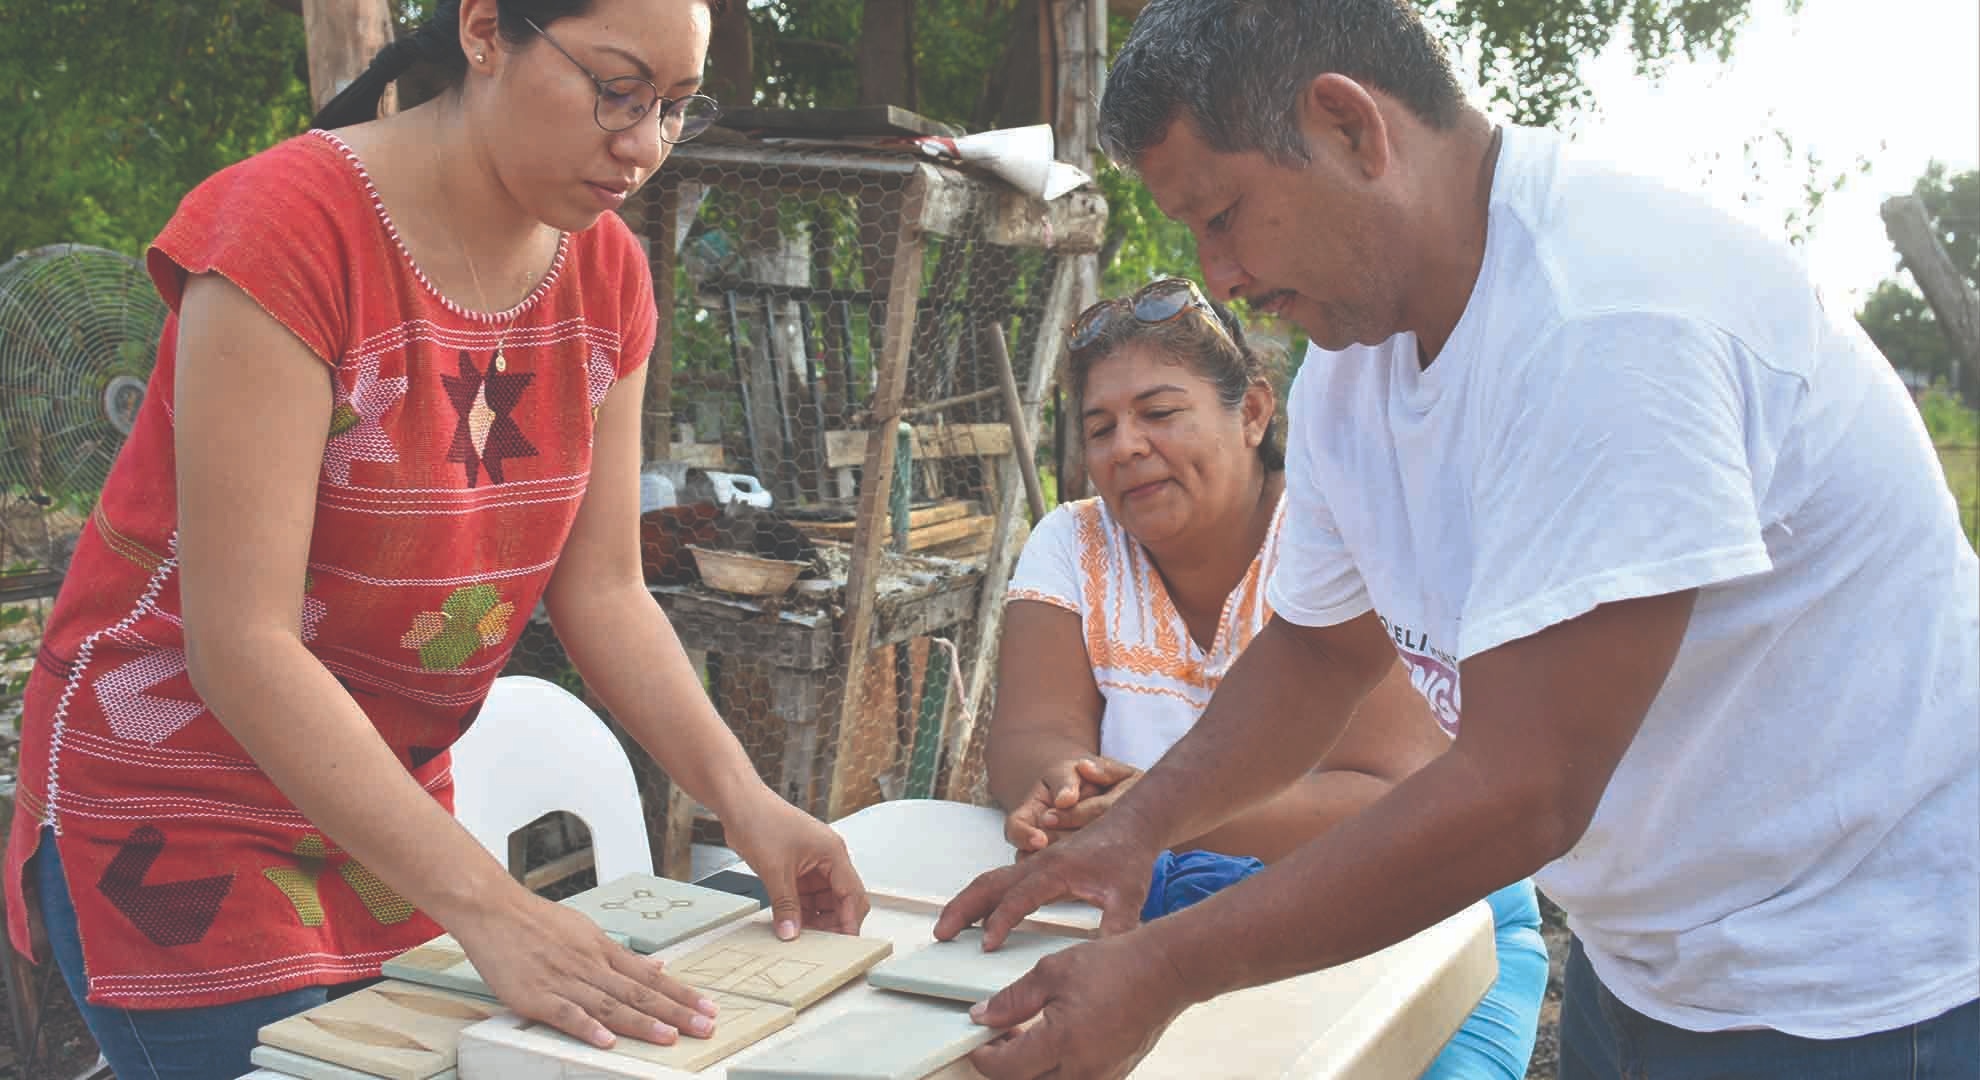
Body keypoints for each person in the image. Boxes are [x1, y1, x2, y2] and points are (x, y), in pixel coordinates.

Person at [935, 0, 1980, 1077]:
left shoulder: (1608, 321)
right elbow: (1319, 652)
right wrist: (1132, 830)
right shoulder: (1353, 364)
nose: (1222, 273)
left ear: (1351, 127)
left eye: (1225, 214)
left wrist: (1162, 970)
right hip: (1650, 958)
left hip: (1862, 985)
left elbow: (1527, 788)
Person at [3, 2, 868, 1076]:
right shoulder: (285, 232)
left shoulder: (608, 277)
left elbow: (603, 591)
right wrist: (495, 907)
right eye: (616, 91)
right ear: (485, 31)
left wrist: (750, 804)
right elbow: (243, 645)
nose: (644, 145)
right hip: (179, 806)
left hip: (385, 809)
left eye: (676, 107)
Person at [988, 278, 1546, 1079]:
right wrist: (1063, 785)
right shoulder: (1071, 544)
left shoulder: (1339, 529)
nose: (1126, 446)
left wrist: (1142, 814)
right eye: (1099, 427)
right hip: (1164, 917)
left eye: (1159, 413)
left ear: (1252, 413)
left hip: (1430, 926)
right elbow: (1030, 737)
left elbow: (1380, 802)